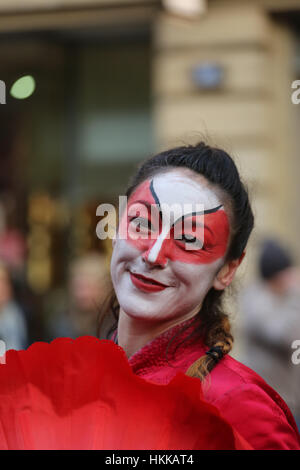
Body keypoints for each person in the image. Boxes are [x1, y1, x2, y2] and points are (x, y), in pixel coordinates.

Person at [99, 142, 300, 450]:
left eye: (190, 240)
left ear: (227, 270)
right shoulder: (79, 379)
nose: (154, 254)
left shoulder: (241, 411)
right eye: (141, 224)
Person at [239, 238, 300, 431]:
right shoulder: (258, 302)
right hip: (270, 405)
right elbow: (289, 336)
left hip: (290, 401)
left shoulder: (283, 298)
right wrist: (295, 294)